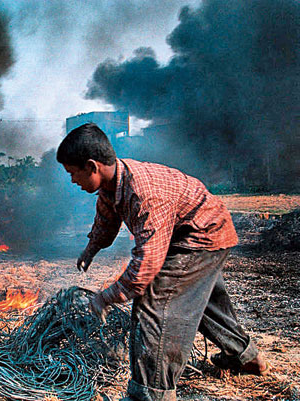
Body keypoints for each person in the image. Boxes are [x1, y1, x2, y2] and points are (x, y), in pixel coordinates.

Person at [56, 123, 269, 401]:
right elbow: (106, 221)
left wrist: (106, 297)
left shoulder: (144, 193)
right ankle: (245, 356)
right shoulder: (112, 185)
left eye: (73, 174)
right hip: (193, 232)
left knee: (155, 305)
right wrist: (91, 248)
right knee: (201, 304)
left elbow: (145, 266)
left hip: (202, 236)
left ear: (92, 166)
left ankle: (151, 393)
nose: (73, 181)